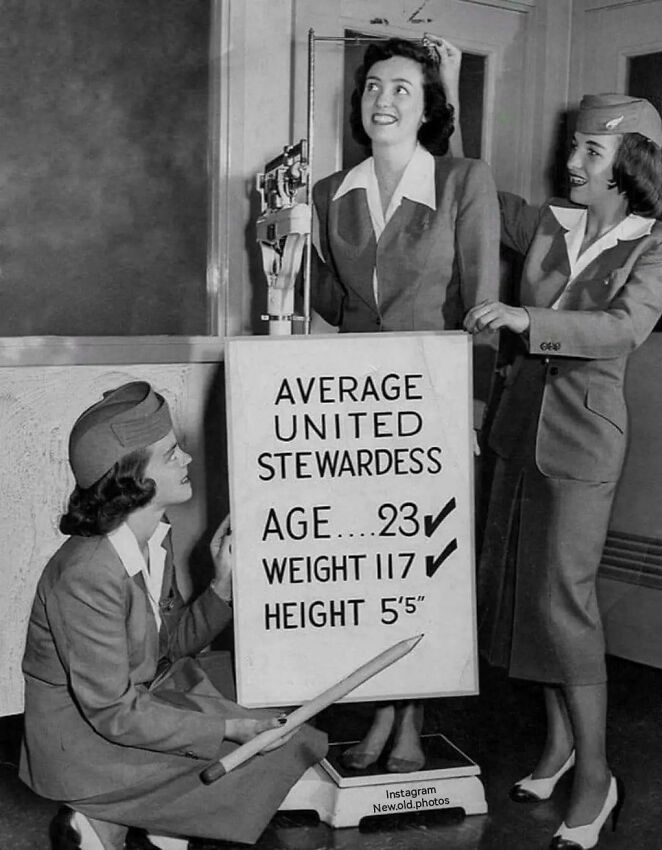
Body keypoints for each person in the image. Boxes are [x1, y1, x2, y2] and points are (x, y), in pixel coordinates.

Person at [465, 94, 662, 850]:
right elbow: (465, 186)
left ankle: (596, 775)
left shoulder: (661, 243)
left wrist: (530, 320)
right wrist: (440, 96)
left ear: (630, 164)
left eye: (591, 152)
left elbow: (624, 327)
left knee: (565, 606)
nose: (571, 163)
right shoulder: (546, 224)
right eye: (573, 146)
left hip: (581, 445)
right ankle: (559, 748)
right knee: (526, 604)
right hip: (514, 435)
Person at [20, 381, 328, 850]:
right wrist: (228, 727)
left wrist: (221, 583)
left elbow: (169, 645)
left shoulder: (150, 538)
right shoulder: (86, 574)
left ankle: (146, 822)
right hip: (84, 748)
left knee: (279, 730)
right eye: (170, 454)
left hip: (129, 712)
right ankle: (107, 817)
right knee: (263, 749)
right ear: (130, 480)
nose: (185, 459)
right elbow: (112, 713)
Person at [310, 35, 500, 773]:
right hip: (359, 404)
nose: (382, 100)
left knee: (423, 567)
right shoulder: (332, 192)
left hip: (434, 398)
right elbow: (336, 301)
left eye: (401, 89)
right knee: (373, 569)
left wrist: (469, 414)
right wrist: (287, 251)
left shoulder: (462, 181)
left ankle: (408, 719)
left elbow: (482, 307)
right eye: (372, 88)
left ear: (427, 109)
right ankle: (384, 711)